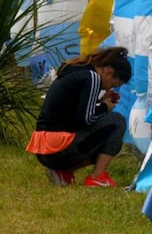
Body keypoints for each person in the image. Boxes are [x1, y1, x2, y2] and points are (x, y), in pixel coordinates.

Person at [26, 46, 132, 187]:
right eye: (113, 84)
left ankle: (62, 172)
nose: (109, 89)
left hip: (44, 147)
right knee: (117, 122)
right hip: (58, 148)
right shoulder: (92, 77)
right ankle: (97, 177)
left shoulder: (78, 71)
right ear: (108, 71)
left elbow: (73, 115)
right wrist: (104, 107)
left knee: (108, 131)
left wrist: (100, 102)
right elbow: (85, 120)